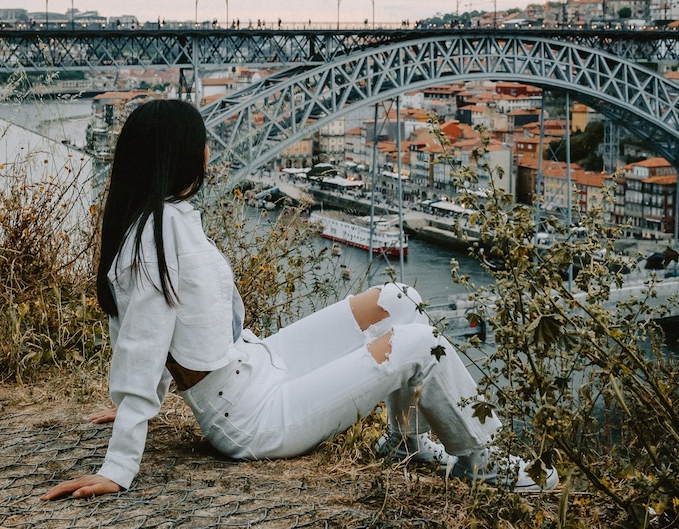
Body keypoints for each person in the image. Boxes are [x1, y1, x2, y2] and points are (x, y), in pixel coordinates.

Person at [43, 100, 558, 501]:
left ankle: (404, 443)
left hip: (259, 364)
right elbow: (141, 337)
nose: (209, 151)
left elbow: (159, 326)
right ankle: (483, 459)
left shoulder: (160, 220)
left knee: (395, 299)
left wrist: (140, 399)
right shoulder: (154, 238)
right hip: (252, 418)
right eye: (202, 142)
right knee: (423, 344)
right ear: (177, 155)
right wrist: (121, 457)